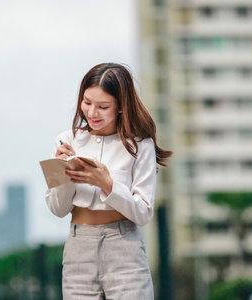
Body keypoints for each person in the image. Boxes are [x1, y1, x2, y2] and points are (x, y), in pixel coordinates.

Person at [45, 63, 172, 299]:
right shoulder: (65, 140)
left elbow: (143, 213)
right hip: (78, 247)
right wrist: (61, 173)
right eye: (87, 102)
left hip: (124, 245)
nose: (92, 113)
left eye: (103, 106)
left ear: (121, 107)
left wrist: (107, 184)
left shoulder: (139, 145)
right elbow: (58, 209)